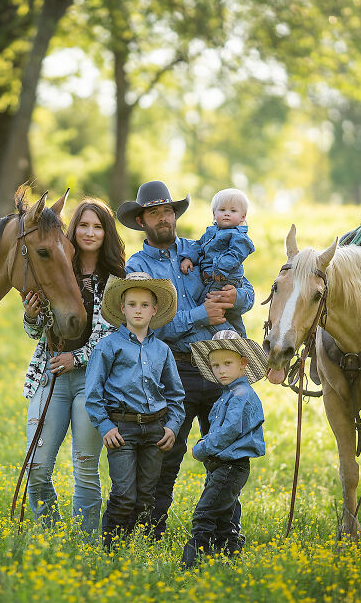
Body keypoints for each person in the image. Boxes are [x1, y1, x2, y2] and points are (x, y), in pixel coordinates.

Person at [116, 179, 255, 539]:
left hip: (218, 366)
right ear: (141, 221)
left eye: (167, 211)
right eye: (154, 213)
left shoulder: (201, 248)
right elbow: (146, 323)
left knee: (227, 451)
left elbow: (249, 292)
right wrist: (200, 316)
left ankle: (225, 533)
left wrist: (234, 296)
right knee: (165, 454)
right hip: (172, 370)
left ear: (174, 215)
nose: (163, 218)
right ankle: (150, 530)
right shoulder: (139, 265)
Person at [21, 198, 126, 536]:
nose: (90, 232)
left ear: (106, 232)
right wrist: (31, 316)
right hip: (50, 376)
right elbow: (37, 333)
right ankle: (51, 536)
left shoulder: (115, 278)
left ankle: (84, 543)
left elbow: (112, 336)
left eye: (97, 226)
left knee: (85, 468)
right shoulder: (55, 267)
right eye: (83, 225)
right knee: (36, 467)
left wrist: (76, 358)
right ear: (72, 229)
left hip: (92, 385)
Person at [84, 272, 185, 548]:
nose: (137, 310)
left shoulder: (162, 350)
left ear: (154, 310)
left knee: (145, 497)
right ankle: (109, 547)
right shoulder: (108, 347)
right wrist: (106, 427)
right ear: (122, 308)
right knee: (124, 494)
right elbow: (93, 394)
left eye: (144, 305)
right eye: (132, 304)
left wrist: (172, 426)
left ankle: (133, 547)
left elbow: (176, 395)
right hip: (122, 430)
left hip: (155, 429)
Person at [180, 330, 268, 568]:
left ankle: (192, 562)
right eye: (216, 365)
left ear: (243, 364)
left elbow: (227, 432)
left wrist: (202, 448)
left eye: (227, 363)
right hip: (224, 466)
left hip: (231, 466)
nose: (221, 370)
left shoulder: (240, 395)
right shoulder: (228, 394)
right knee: (225, 514)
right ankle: (230, 555)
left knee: (204, 513)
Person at [178, 188, 254, 334]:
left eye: (233, 211)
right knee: (228, 314)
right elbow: (198, 246)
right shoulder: (210, 232)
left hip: (223, 279)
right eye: (222, 209)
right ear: (214, 214)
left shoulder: (239, 237)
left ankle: (230, 338)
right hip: (212, 279)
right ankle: (239, 339)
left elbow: (235, 255)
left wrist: (219, 268)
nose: (227, 213)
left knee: (210, 308)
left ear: (242, 217)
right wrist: (188, 258)